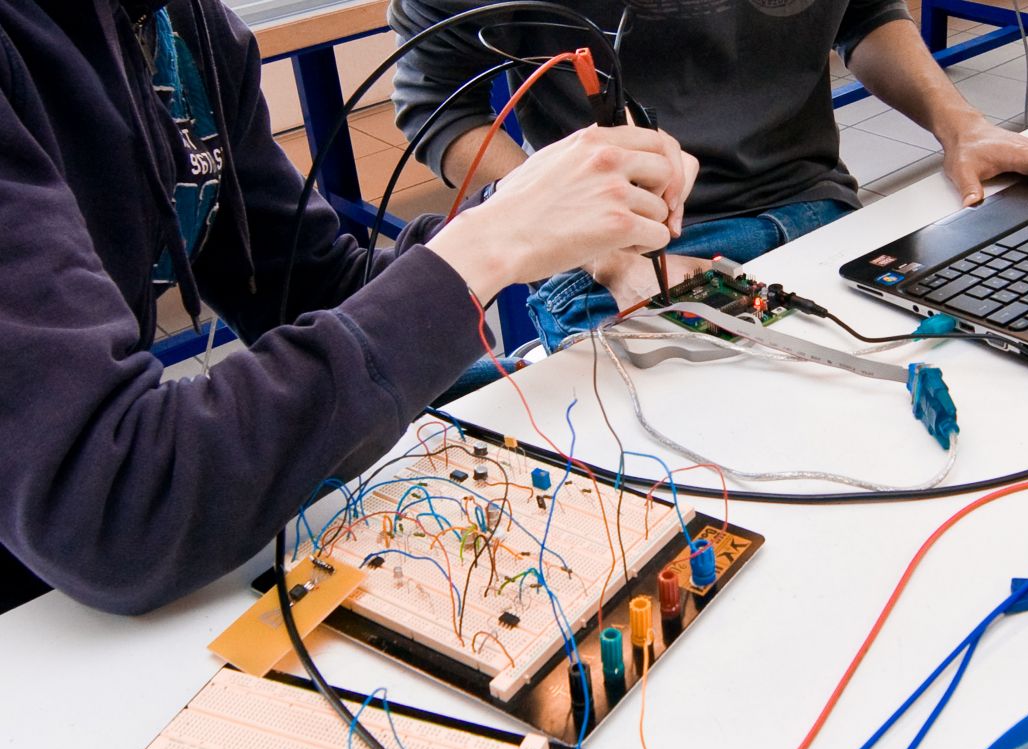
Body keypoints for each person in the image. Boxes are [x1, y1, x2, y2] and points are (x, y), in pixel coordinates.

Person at [0, 0, 695, 615]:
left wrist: (533, 222)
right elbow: (113, 500)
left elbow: (311, 287)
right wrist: (493, 241)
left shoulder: (186, 31)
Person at [389, 0, 1028, 351]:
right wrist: (601, 250)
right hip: (619, 253)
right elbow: (436, 105)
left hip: (816, 215)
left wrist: (962, 127)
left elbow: (864, 12)